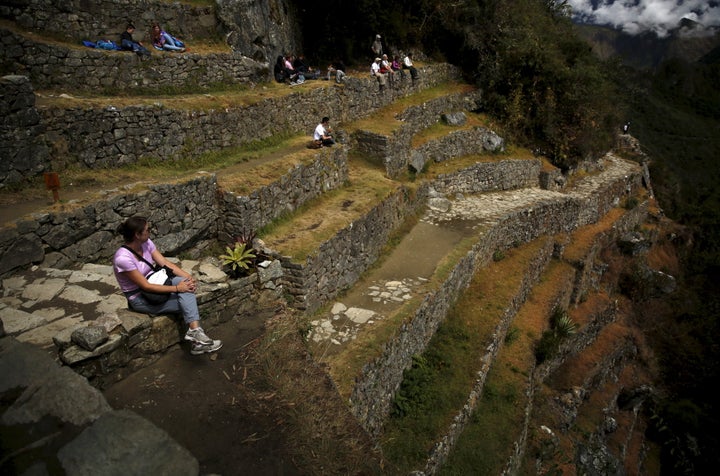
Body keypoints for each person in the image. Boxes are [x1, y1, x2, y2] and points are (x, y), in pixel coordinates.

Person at [113, 216, 222, 355]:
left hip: (156, 281)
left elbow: (165, 263)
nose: (150, 232)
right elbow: (145, 286)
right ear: (137, 235)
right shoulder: (123, 259)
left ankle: (195, 334)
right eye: (148, 230)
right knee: (187, 301)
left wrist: (188, 277)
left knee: (187, 286)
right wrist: (177, 288)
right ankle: (197, 340)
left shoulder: (146, 243)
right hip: (141, 297)